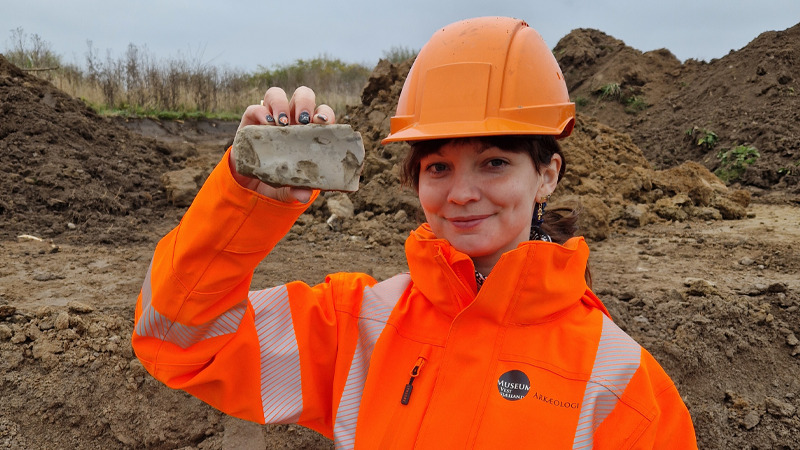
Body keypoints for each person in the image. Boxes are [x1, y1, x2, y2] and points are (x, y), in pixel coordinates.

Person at [132, 16, 697, 449]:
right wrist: (248, 201)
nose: (461, 193)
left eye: (494, 162)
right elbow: (180, 340)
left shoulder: (620, 383)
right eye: (438, 167)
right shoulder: (358, 328)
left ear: (546, 174)